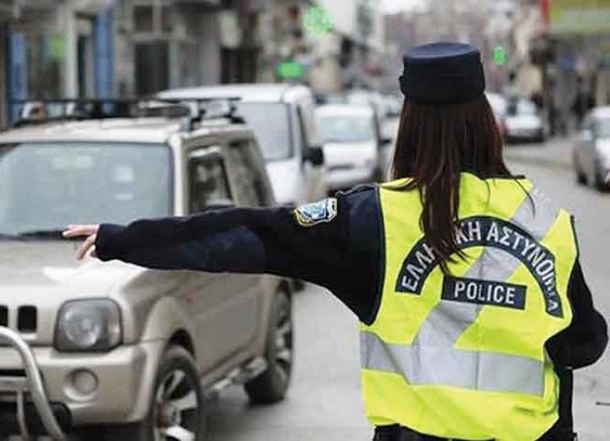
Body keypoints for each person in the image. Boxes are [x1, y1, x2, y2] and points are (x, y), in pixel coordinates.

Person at [64, 42, 607, 441]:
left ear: (409, 125)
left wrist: (122, 239)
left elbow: (249, 234)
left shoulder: (375, 221)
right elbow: (584, 342)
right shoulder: (545, 219)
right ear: (486, 122)